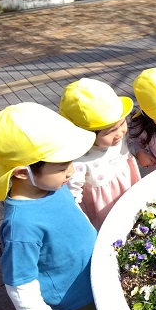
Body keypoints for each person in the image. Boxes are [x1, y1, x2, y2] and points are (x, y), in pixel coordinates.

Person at [0, 102, 105, 310]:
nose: (71, 171)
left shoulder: (51, 185)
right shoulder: (21, 225)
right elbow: (19, 279)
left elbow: (71, 213)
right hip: (74, 297)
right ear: (23, 172)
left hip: (94, 273)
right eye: (63, 166)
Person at [59, 78, 141, 230]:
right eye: (110, 131)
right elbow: (72, 194)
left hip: (126, 182)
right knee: (116, 229)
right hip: (105, 206)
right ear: (85, 133)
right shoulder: (79, 160)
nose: (120, 133)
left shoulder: (118, 138)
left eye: (122, 123)